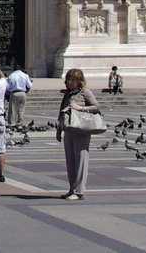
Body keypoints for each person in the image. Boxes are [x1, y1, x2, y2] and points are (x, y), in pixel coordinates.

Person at [55, 67, 100, 200]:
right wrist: (59, 130)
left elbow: (96, 107)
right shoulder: (68, 93)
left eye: (73, 80)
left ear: (79, 81)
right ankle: (72, 189)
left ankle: (79, 191)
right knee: (70, 161)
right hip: (69, 129)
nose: (70, 82)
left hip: (81, 130)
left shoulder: (85, 92)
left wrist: (81, 108)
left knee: (81, 161)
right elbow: (61, 112)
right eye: (68, 79)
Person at [5, 62, 33, 127]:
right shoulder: (25, 75)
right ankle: (20, 123)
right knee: (21, 109)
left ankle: (12, 123)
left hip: (14, 93)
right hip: (23, 93)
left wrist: (9, 91)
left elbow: (7, 86)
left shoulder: (11, 75)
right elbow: (29, 85)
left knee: (13, 109)